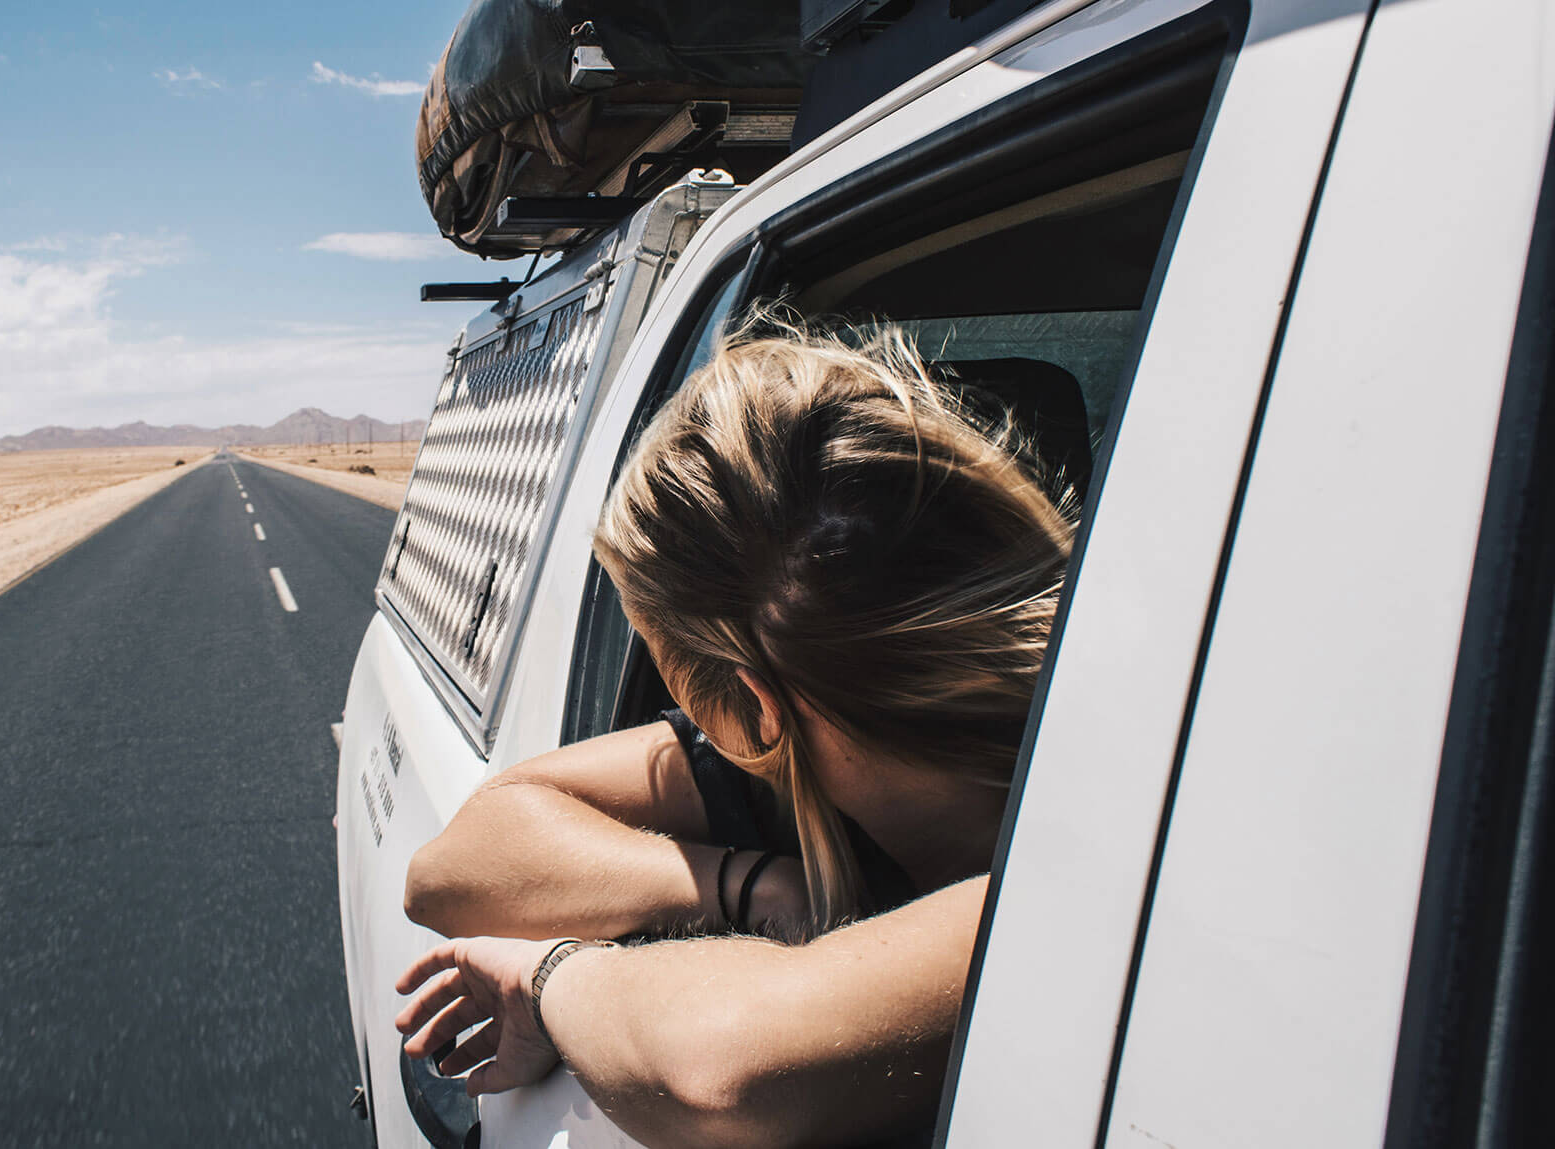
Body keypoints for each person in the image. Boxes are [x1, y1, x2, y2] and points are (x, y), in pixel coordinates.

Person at [393, 317, 1078, 1147]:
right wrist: (748, 885)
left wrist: (545, 980)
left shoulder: (1065, 876)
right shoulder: (1128, 736)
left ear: (756, 711)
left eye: (665, 666)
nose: (691, 729)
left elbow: (720, 1071)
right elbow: (451, 867)